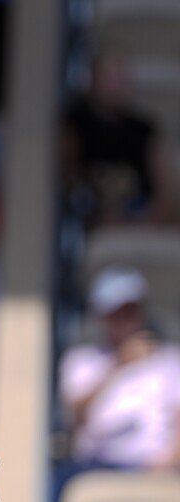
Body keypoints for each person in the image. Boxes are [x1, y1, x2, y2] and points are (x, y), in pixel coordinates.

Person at [59, 267, 180, 471]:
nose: (124, 319)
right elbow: (74, 412)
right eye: (116, 313)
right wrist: (118, 364)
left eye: (130, 311)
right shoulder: (81, 359)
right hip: (94, 464)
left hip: (150, 466)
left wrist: (167, 464)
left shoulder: (169, 359)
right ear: (101, 317)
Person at [62, 54, 176, 227]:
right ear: (93, 80)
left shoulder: (145, 129)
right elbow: (66, 180)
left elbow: (166, 193)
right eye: (108, 78)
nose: (115, 86)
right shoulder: (74, 125)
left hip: (139, 220)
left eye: (121, 78)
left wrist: (141, 221)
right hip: (89, 222)